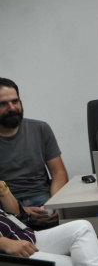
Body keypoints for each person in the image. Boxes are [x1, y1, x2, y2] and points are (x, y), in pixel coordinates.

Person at [0, 77, 68, 227]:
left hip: (44, 200)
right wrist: (22, 211)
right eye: (3, 104)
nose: (11, 108)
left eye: (15, 101)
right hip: (7, 209)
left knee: (83, 224)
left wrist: (55, 204)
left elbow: (59, 173)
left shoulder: (41, 128)